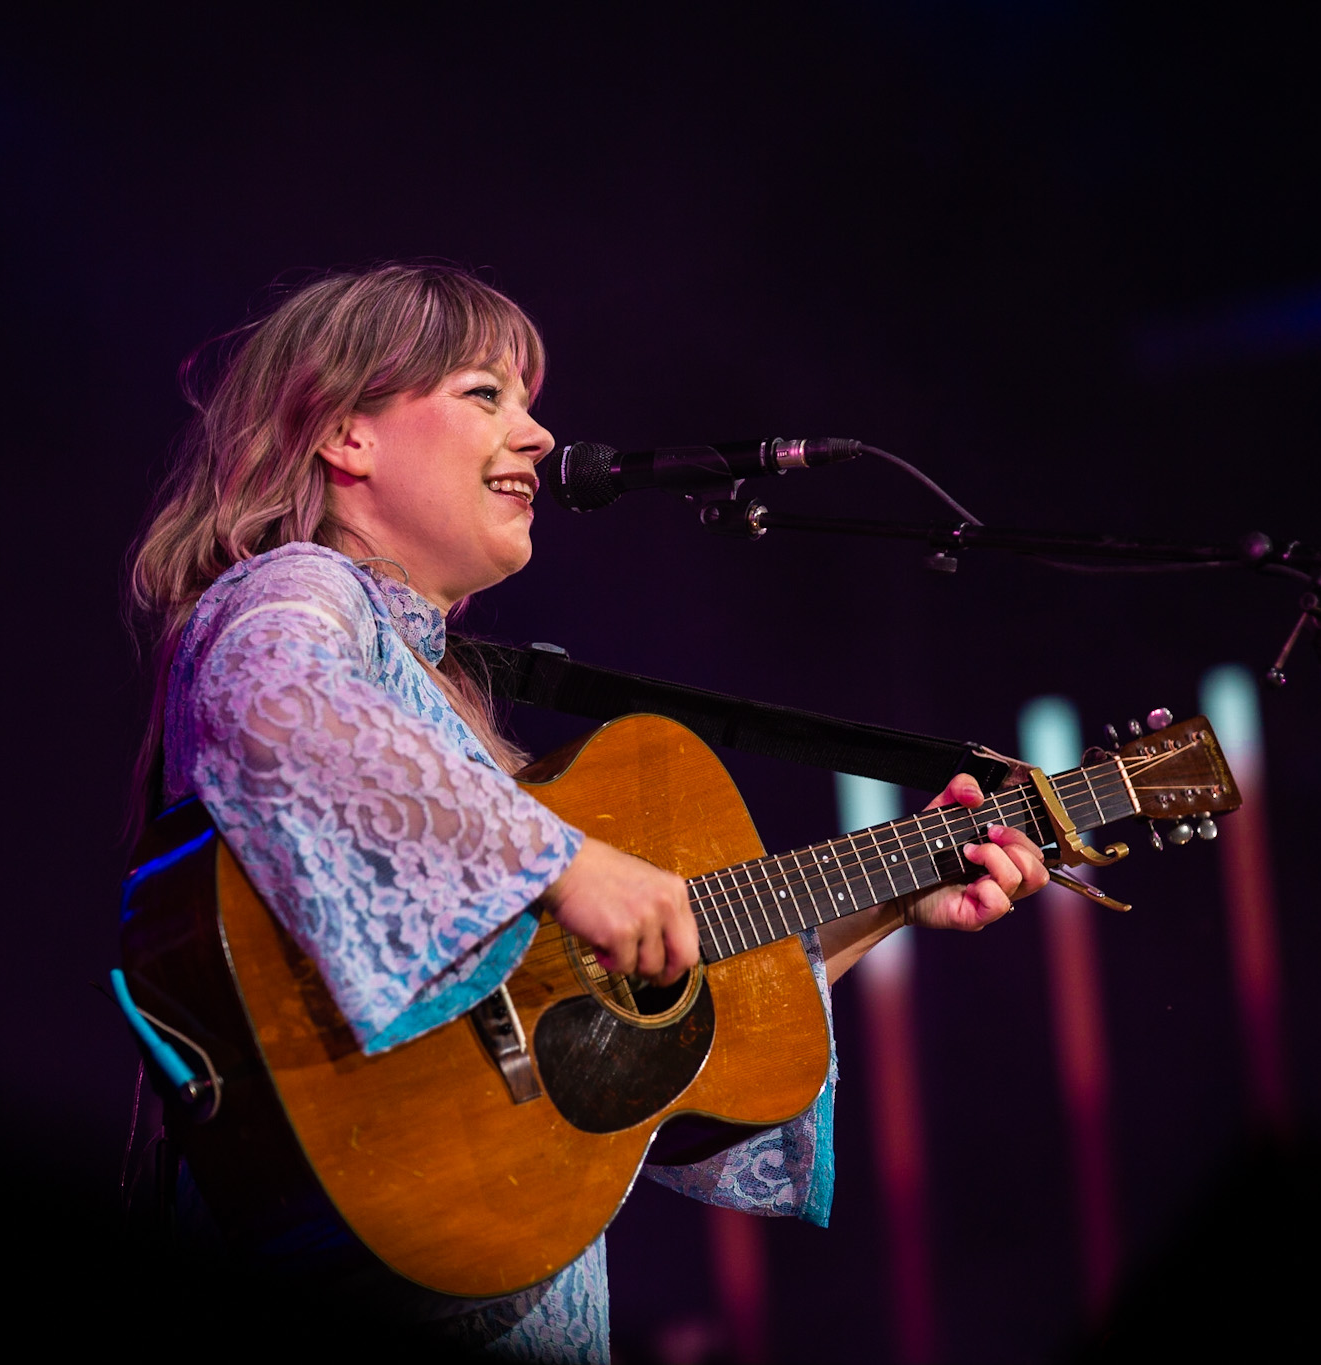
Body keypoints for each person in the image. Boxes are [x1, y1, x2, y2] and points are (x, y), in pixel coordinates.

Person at [127, 263, 1049, 1361]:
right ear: (344, 435)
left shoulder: (436, 699)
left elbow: (652, 1034)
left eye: (526, 401)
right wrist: (567, 864)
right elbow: (280, 704)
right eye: (484, 394)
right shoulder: (296, 594)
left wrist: (891, 895)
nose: (536, 434)